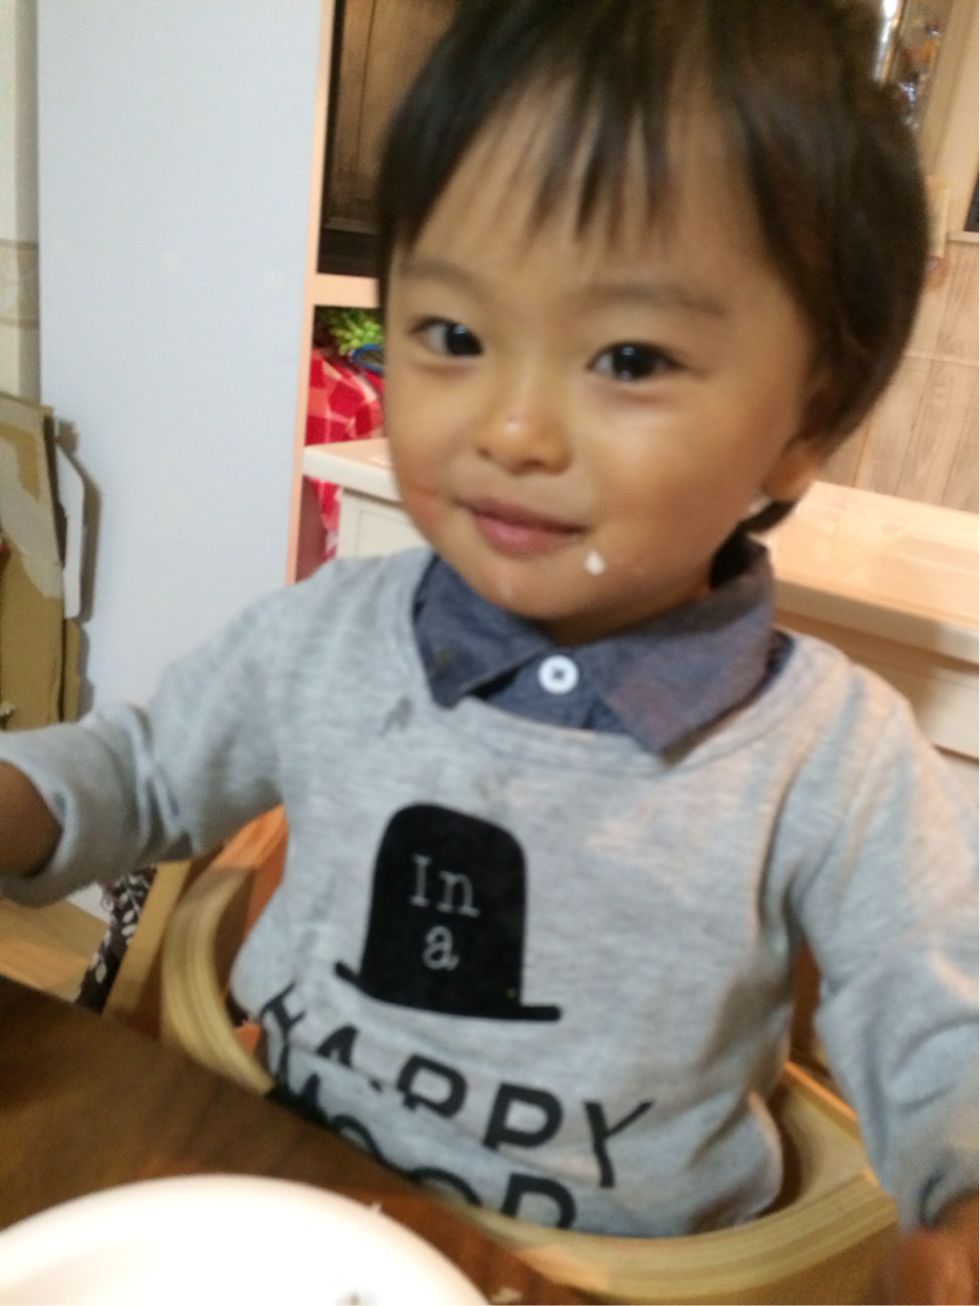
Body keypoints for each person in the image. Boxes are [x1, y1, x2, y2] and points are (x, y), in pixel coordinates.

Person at [2, 0, 976, 1298]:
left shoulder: (829, 756)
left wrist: (954, 1203)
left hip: (617, 1279)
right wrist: (23, 798)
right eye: (455, 335)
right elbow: (145, 772)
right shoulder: (328, 634)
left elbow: (937, 1015)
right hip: (292, 1203)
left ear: (805, 427)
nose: (512, 428)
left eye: (628, 355)